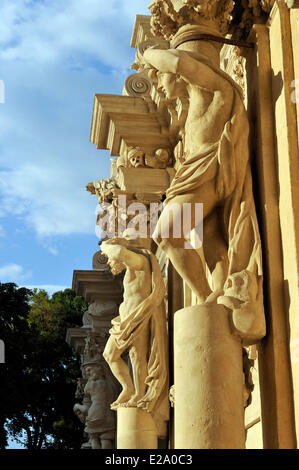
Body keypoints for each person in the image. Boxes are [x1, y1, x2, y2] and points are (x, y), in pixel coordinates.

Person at [143, 32, 265, 344]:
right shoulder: (190, 110)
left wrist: (150, 55)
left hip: (207, 173)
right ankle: (216, 296)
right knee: (213, 241)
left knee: (167, 233)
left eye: (160, 79)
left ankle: (206, 297)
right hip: (196, 175)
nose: (159, 86)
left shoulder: (215, 90)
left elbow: (180, 61)